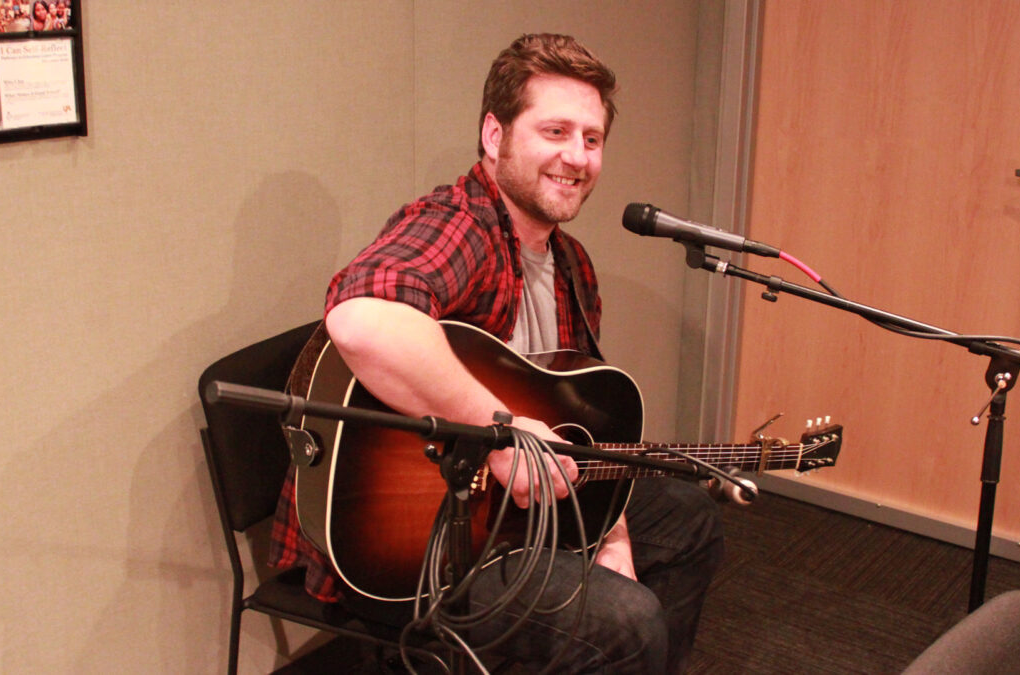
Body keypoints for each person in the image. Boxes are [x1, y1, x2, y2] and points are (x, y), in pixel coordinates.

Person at [271, 33, 725, 673]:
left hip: (514, 517)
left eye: (592, 139)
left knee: (689, 519)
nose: (577, 157)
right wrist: (503, 434)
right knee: (628, 622)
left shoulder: (571, 266)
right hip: (415, 542)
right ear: (494, 134)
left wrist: (611, 530)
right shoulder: (457, 224)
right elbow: (363, 320)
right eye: (555, 131)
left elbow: (583, 430)